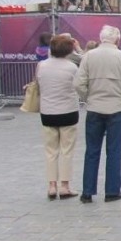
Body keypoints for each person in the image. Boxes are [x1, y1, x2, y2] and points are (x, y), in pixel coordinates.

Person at [74, 25, 121, 204]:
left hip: (95, 109)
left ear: (100, 38)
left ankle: (87, 192)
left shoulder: (88, 56)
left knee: (91, 151)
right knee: (114, 151)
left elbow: (79, 84)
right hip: (116, 109)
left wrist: (88, 98)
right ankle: (112, 190)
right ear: (117, 40)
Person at [36, 34, 80, 200]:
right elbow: (77, 87)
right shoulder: (72, 68)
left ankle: (51, 185)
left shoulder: (41, 66)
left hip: (47, 112)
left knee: (50, 151)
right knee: (66, 150)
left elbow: (38, 86)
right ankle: (65, 185)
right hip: (68, 111)